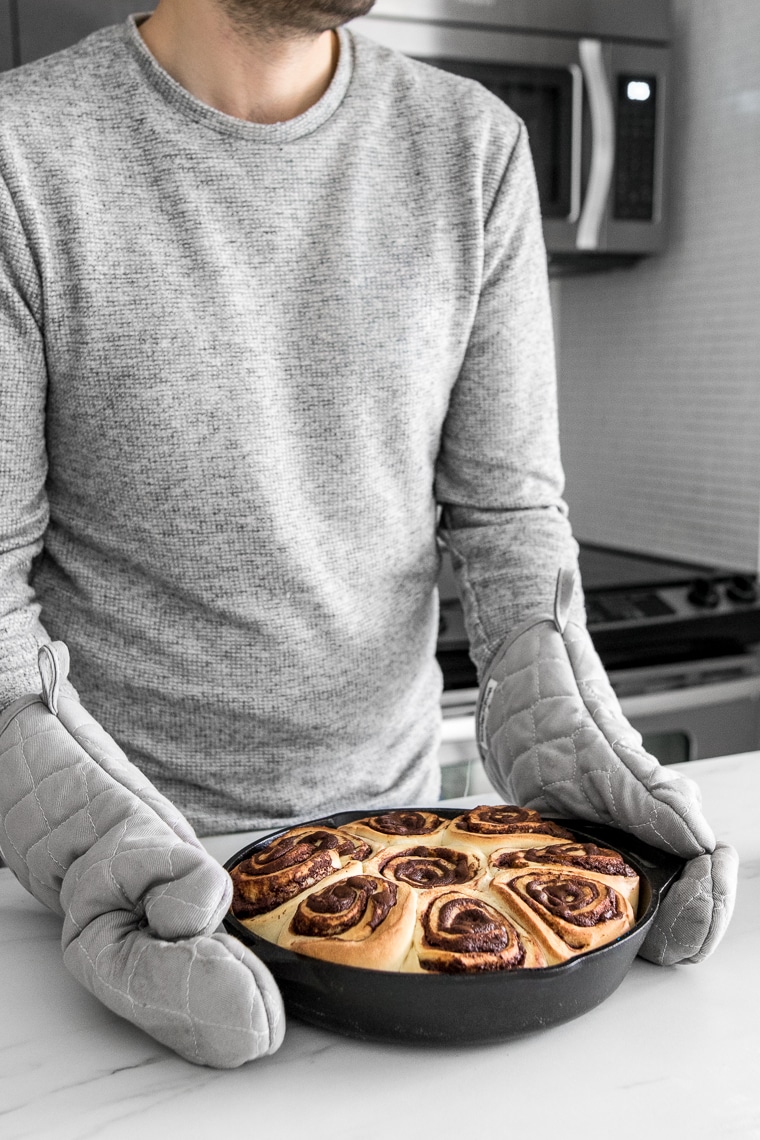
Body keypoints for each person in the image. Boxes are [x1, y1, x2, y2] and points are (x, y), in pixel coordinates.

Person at [0, 0, 737, 1068]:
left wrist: (571, 742)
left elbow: (507, 520)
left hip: (406, 866)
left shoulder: (472, 145)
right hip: (108, 879)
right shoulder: (23, 153)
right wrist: (95, 854)